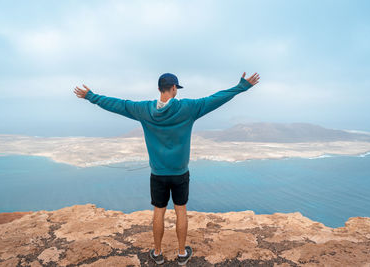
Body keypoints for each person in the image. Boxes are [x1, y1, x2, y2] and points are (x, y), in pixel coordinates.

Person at [74, 72, 260, 265]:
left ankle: (157, 253)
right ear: (173, 89)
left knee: (159, 212)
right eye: (176, 89)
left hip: (158, 174)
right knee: (181, 211)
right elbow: (216, 98)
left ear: (158, 89)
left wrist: (90, 96)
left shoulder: (143, 110)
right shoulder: (188, 108)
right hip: (180, 173)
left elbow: (118, 104)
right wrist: (242, 86)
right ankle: (181, 254)